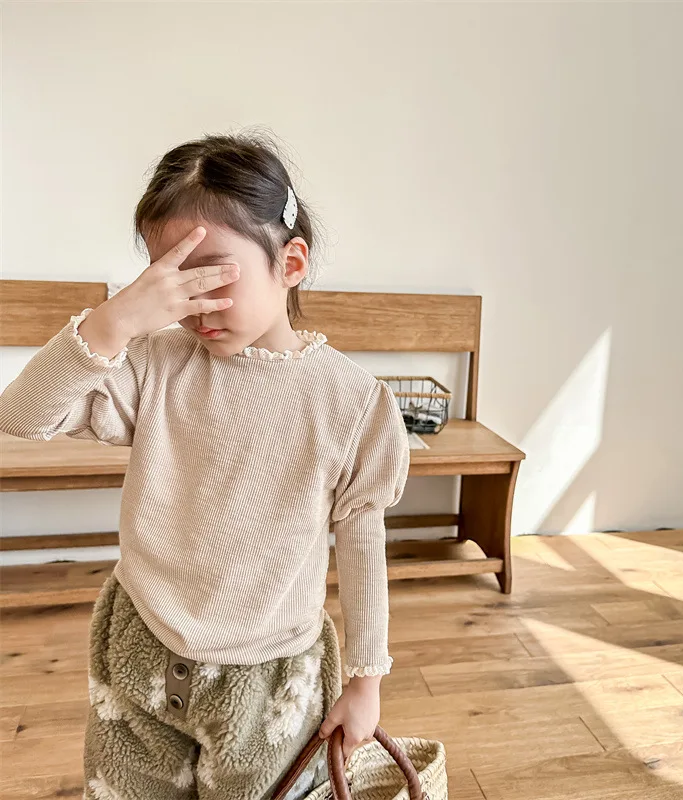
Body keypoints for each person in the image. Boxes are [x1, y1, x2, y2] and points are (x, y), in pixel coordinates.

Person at [0, 131, 410, 799]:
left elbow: (363, 547)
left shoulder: (354, 403)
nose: (194, 304)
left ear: (291, 262)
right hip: (139, 648)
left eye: (213, 274)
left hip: (270, 677)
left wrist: (366, 682)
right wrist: (115, 321)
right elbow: (21, 415)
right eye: (171, 279)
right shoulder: (154, 364)